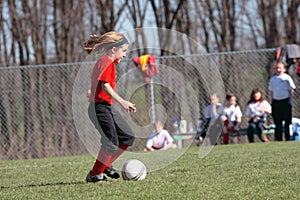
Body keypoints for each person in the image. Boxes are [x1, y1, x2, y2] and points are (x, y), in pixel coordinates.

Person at [82, 32, 136, 183]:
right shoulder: (106, 62)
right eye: (123, 51)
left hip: (105, 107)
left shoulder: (106, 63)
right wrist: (123, 102)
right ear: (113, 50)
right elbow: (105, 86)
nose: (125, 55)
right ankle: (95, 175)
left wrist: (92, 92)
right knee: (111, 142)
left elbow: (99, 85)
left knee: (127, 136)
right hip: (99, 109)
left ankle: (105, 165)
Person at [268, 61, 296, 141]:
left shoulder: (287, 78)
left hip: (285, 101)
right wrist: (271, 102)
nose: (278, 70)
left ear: (284, 69)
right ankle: (278, 138)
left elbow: (291, 90)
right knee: (277, 122)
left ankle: (288, 138)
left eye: (280, 68)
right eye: (277, 68)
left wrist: (290, 100)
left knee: (287, 121)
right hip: (276, 102)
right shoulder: (273, 79)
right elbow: (271, 91)